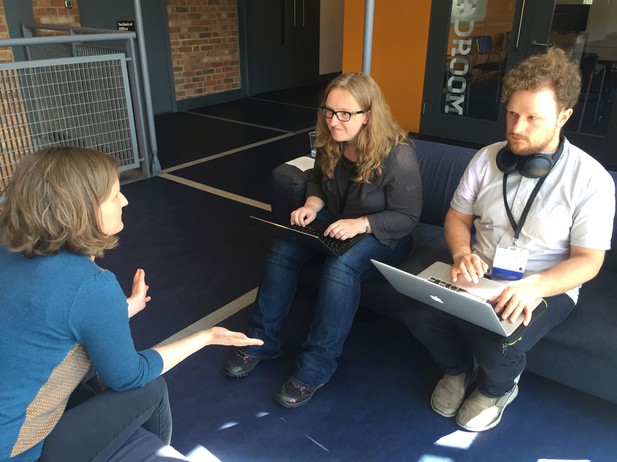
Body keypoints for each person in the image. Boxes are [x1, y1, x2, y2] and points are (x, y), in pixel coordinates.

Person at [0, 147, 263, 461]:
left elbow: (44, 319)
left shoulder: (8, 247)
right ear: (81, 209)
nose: (124, 201)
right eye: (114, 195)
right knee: (150, 389)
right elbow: (128, 376)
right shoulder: (91, 284)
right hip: (14, 449)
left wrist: (121, 311)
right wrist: (207, 337)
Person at [405, 47, 615, 432]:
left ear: (564, 116)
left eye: (533, 118)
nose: (516, 128)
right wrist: (462, 251)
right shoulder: (486, 158)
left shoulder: (592, 180)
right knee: (418, 313)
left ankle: (497, 388)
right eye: (513, 113)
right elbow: (456, 216)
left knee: (496, 344)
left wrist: (534, 287)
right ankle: (456, 370)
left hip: (545, 286)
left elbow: (589, 260)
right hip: (480, 274)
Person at [223, 72, 423, 407]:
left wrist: (360, 223)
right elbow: (317, 179)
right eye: (329, 111)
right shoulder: (332, 140)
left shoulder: (398, 156)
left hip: (388, 232)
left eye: (344, 113)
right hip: (338, 219)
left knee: (340, 267)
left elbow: (408, 216)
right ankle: (261, 340)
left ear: (368, 115)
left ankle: (316, 366)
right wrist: (312, 205)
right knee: (282, 247)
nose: (333, 121)